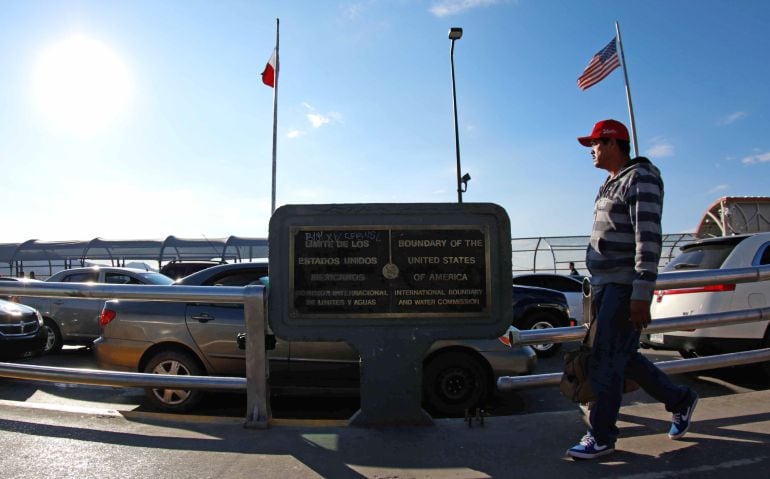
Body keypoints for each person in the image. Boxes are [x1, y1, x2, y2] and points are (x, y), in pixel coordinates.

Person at [566, 119, 698, 460]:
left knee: (606, 360)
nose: (591, 151)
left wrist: (641, 291)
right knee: (622, 358)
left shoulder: (641, 178)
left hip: (624, 287)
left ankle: (602, 435)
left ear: (612, 142)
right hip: (604, 287)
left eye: (595, 143)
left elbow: (648, 237)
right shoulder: (610, 184)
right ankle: (680, 399)